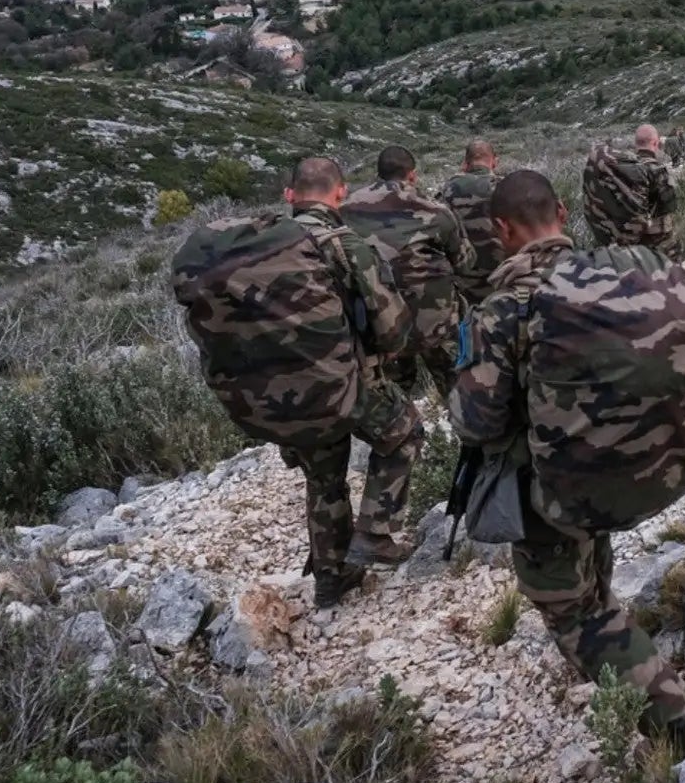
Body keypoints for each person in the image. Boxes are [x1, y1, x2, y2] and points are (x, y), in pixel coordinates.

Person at [450, 169, 685, 750]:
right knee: (585, 537)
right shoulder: (618, 285)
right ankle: (604, 603)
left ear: (500, 230)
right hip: (646, 466)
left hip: (561, 488)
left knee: (568, 608)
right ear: (562, 211)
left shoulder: (501, 309)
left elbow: (475, 421)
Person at [173, 155, 425, 605]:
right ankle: (376, 534)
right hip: (345, 383)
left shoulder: (262, 249)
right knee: (404, 432)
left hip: (277, 396)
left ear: (289, 196)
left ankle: (331, 578)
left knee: (324, 477)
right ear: (341, 192)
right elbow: (393, 329)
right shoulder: (346, 245)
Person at [340, 146, 477, 399]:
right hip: (434, 324)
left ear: (377, 174)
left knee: (392, 394)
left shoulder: (347, 209)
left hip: (381, 326)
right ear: (412, 175)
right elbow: (465, 263)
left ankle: (403, 424)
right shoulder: (436, 211)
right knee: (458, 389)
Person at [581, 125, 677, 250]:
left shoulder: (624, 168)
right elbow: (667, 208)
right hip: (653, 246)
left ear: (635, 143)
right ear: (655, 143)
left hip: (617, 245)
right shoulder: (657, 170)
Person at [443, 139, 505, 290]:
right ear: (495, 161)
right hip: (502, 278)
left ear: (465, 163)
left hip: (462, 281)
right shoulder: (506, 187)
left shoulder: (448, 189)